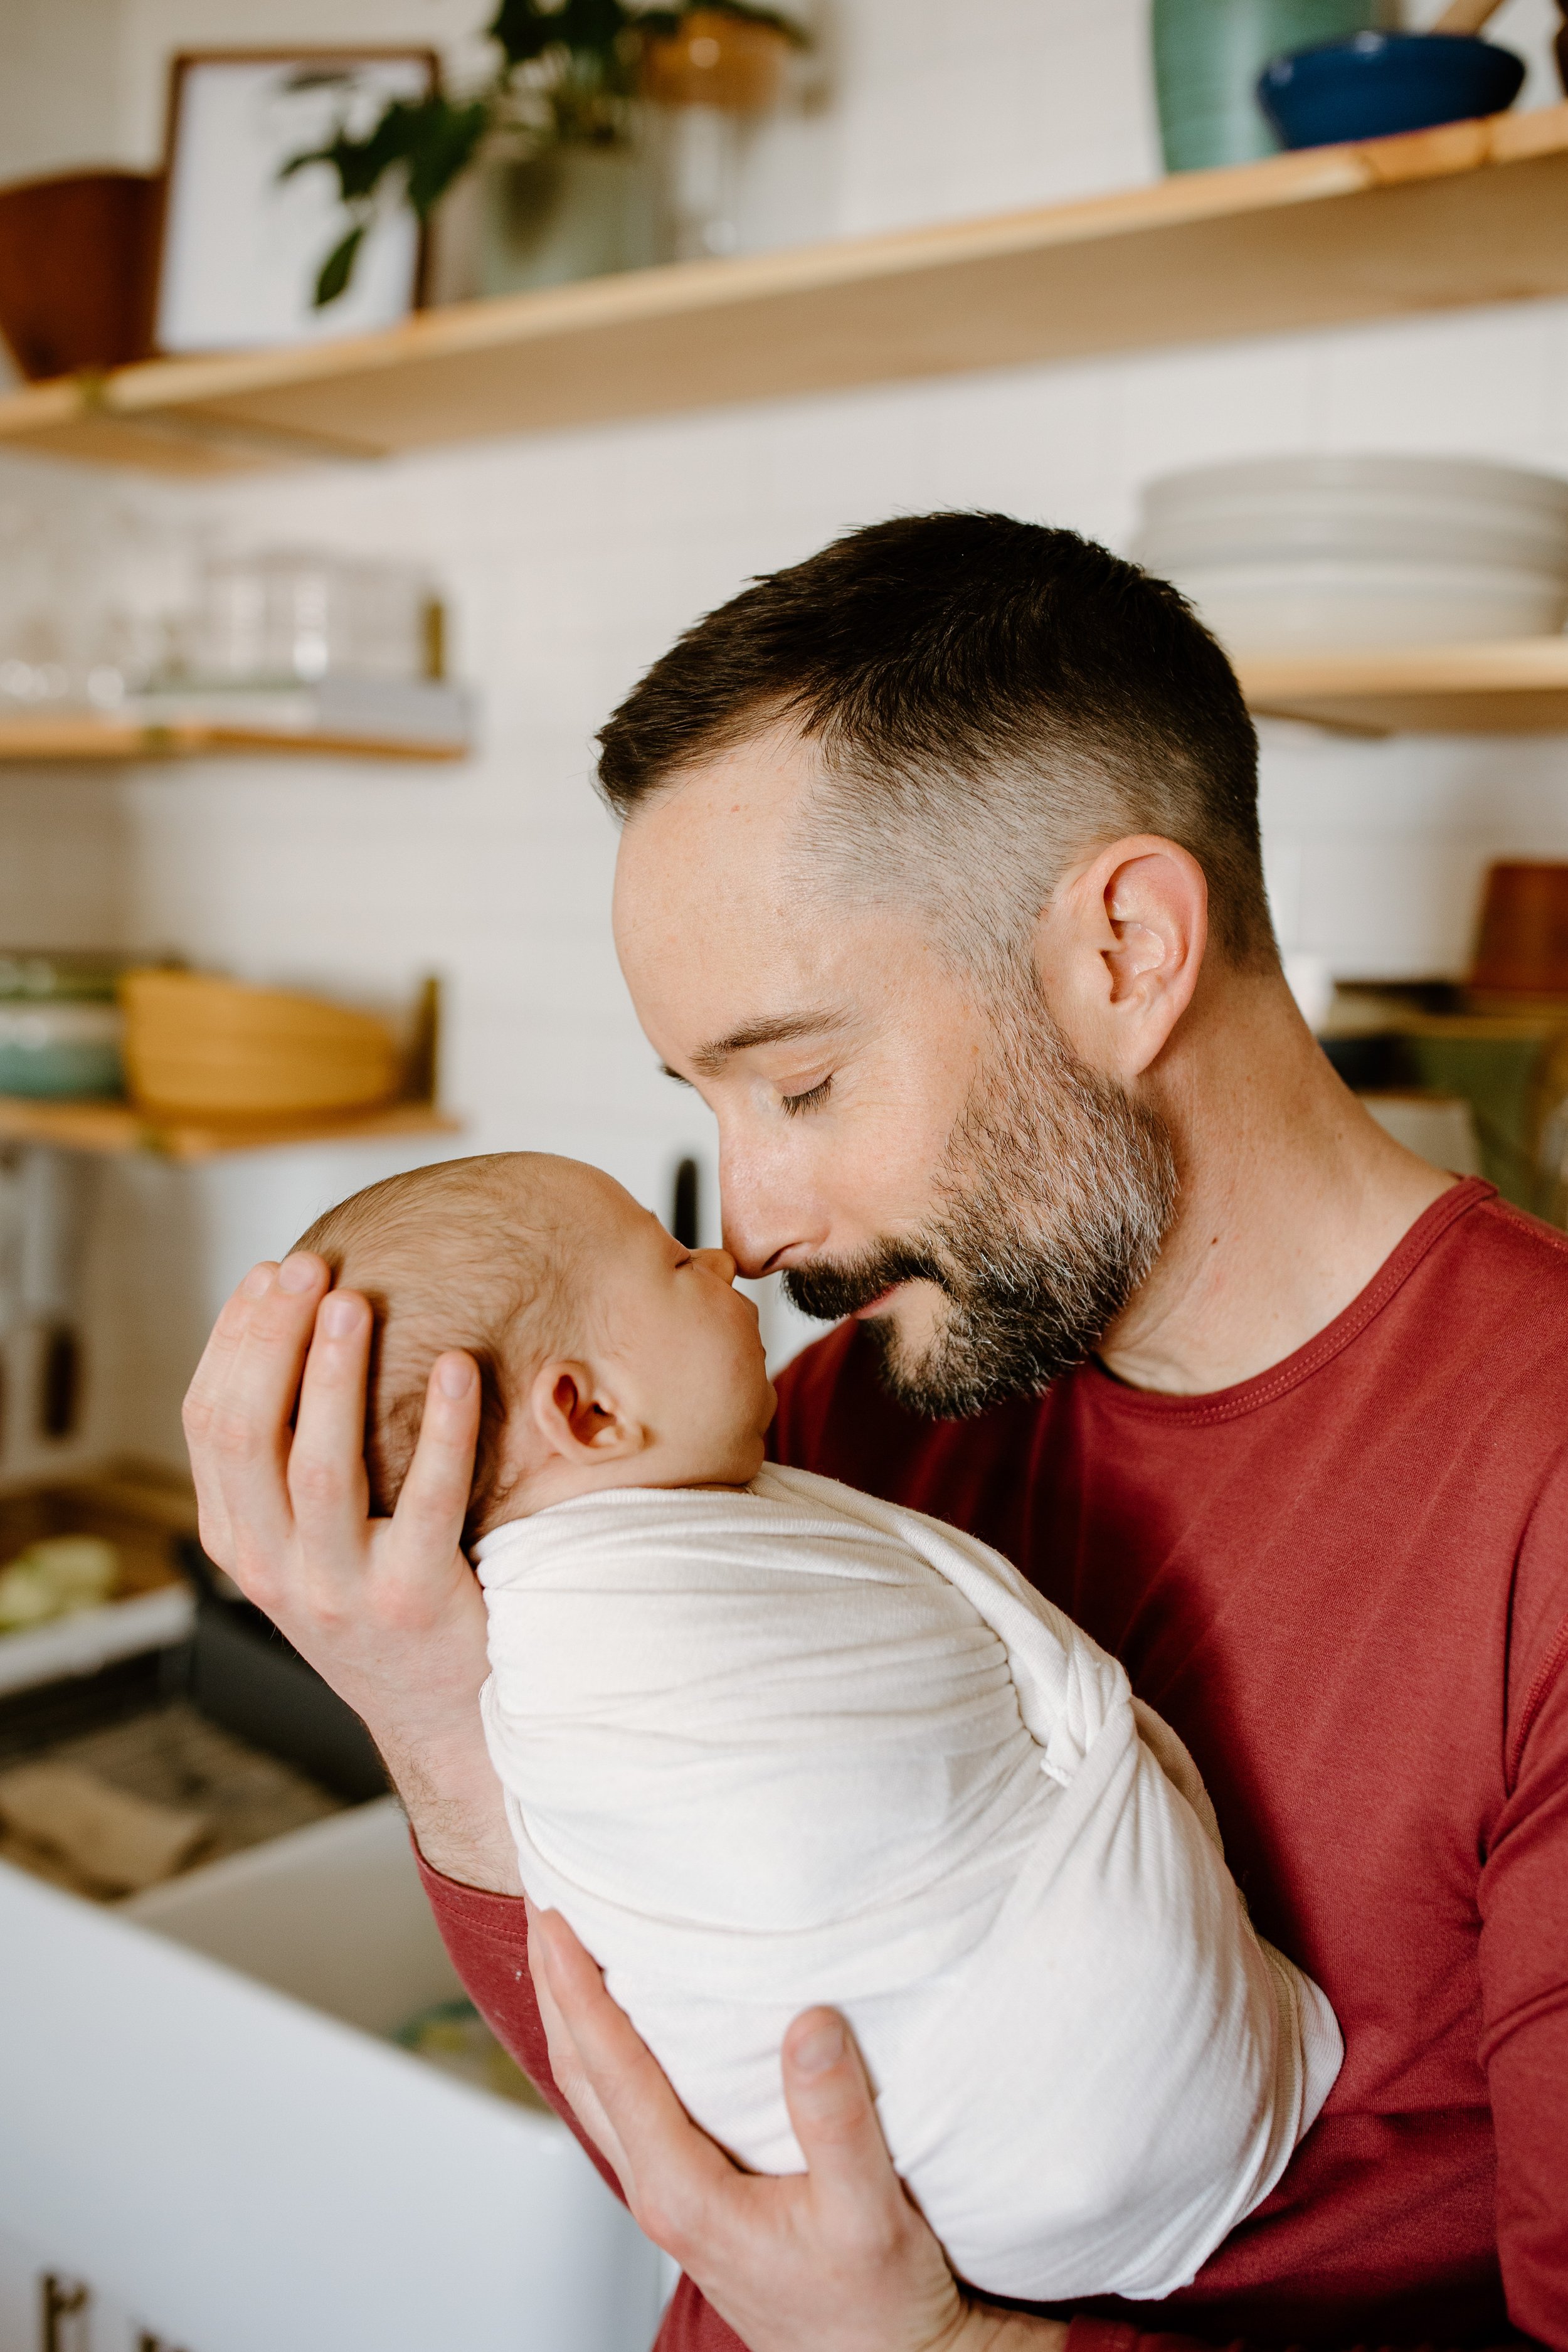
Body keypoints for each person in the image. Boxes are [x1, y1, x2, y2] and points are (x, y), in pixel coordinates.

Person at [183, 516, 1568, 2352]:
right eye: (706, 1101)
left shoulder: (1531, 1481)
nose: (749, 1226)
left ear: (1127, 948)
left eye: (806, 1080)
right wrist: (430, 1704)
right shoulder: (830, 1428)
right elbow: (703, 2147)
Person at [289, 1150, 1341, 2305]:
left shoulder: (774, 1462)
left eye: (804, 1082)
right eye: (673, 1259)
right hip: (1055, 2122)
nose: (732, 1246)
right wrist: (434, 1714)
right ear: (587, 1412)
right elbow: (677, 2125)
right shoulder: (594, 1639)